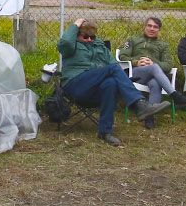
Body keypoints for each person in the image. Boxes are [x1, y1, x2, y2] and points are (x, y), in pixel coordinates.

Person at [58, 18, 171, 146]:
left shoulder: (99, 46)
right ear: (77, 35)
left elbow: (113, 64)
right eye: (85, 36)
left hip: (92, 90)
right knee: (112, 69)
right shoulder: (71, 46)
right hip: (75, 84)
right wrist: (75, 24)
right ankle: (139, 105)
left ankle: (105, 132)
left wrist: (124, 80)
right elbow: (65, 42)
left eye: (92, 37)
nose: (89, 40)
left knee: (110, 83)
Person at [115, 16, 186, 128]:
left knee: (155, 83)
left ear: (159, 30)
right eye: (149, 25)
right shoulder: (133, 39)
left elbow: (168, 65)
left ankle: (149, 118)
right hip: (136, 74)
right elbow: (122, 56)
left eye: (155, 27)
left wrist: (153, 63)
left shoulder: (163, 45)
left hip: (153, 75)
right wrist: (136, 62)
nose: (152, 29)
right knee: (154, 68)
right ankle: (175, 95)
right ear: (145, 26)